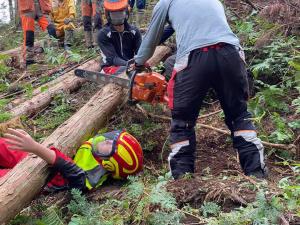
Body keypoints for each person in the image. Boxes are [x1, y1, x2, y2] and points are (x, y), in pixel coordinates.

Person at [133, 0, 268, 179]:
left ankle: (183, 180)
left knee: (183, 121)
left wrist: (138, 61)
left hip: (194, 57)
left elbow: (150, 40)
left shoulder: (166, 2)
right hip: (231, 53)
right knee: (239, 115)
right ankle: (256, 172)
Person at [0, 128, 143, 191]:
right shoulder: (94, 153)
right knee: (5, 145)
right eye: (109, 139)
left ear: (109, 164)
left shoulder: (88, 178)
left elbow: (66, 166)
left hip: (33, 176)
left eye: (108, 145)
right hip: (36, 158)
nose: (105, 140)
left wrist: (35, 147)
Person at [97, 0, 142, 75]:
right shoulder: (103, 34)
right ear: (108, 15)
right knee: (131, 73)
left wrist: (140, 62)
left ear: (126, 12)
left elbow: (140, 52)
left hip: (130, 65)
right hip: (111, 66)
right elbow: (112, 58)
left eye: (120, 13)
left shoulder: (134, 31)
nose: (118, 17)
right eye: (114, 14)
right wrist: (129, 64)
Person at [18, 0, 57, 66]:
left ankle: (51, 53)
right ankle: (28, 60)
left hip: (43, 7)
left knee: (51, 29)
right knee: (28, 35)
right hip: (27, 7)